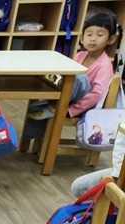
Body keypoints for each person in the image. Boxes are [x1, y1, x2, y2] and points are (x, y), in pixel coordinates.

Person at [25, 11, 120, 140]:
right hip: (67, 97)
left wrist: (72, 109)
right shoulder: (80, 55)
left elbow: (97, 95)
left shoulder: (104, 65)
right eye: (89, 34)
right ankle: (36, 140)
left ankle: (58, 105)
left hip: (85, 106)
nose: (93, 38)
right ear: (82, 38)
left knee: (78, 76)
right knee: (34, 108)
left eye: (99, 35)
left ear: (111, 39)